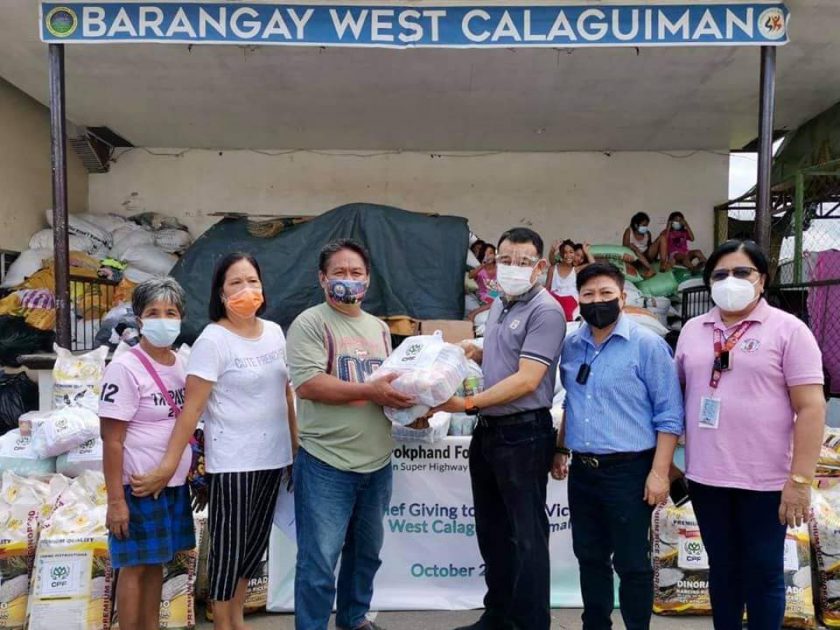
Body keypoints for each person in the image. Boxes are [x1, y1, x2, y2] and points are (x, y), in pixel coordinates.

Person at [131, 253, 296, 630]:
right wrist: (166, 467)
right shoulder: (213, 340)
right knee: (228, 552)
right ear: (221, 294)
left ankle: (236, 621)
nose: (246, 289)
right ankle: (224, 622)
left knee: (252, 549)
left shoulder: (274, 332)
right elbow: (192, 410)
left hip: (273, 458)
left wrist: (295, 447)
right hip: (234, 461)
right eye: (235, 283)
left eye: (252, 281)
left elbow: (285, 393)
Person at [675, 240, 826, 630]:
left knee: (763, 572)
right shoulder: (693, 330)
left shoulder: (789, 330)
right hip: (707, 477)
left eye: (742, 272)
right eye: (721, 274)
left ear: (762, 280)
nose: (731, 281)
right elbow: (676, 396)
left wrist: (800, 481)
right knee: (723, 569)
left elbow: (811, 407)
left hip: (767, 481)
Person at [287, 239, 426, 630]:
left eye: (356, 273)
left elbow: (385, 388)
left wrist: (411, 410)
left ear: (368, 279)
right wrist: (371, 392)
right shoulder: (310, 323)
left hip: (377, 463)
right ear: (322, 278)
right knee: (319, 561)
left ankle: (353, 619)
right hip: (326, 463)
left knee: (365, 555)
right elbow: (309, 385)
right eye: (339, 272)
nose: (348, 279)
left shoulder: (379, 328)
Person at [440, 227, 566, 630]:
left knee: (526, 536)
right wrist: (471, 350)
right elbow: (502, 353)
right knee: (493, 531)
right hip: (490, 431)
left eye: (523, 261)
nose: (512, 267)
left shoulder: (546, 311)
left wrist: (467, 404)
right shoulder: (500, 304)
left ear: (540, 267)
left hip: (523, 432)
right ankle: (498, 615)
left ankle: (530, 623)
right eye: (505, 259)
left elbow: (528, 379)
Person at [552, 262, 684, 630]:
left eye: (606, 293)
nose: (598, 301)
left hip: (629, 471)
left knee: (632, 563)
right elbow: (573, 402)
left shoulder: (648, 346)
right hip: (584, 471)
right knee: (589, 556)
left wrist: (659, 473)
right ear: (579, 299)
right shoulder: (572, 346)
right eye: (589, 294)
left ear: (623, 297)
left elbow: (669, 415)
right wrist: (561, 448)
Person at [100, 278, 195, 630]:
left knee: (157, 563)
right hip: (137, 486)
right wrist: (116, 502)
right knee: (134, 567)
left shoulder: (182, 364)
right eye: (153, 312)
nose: (163, 319)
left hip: (169, 486)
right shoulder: (125, 368)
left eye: (171, 312)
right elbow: (111, 440)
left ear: (181, 317)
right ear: (139, 319)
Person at [546, 239, 594, 321]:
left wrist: (587, 252)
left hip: (570, 302)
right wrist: (552, 251)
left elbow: (593, 265)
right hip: (555, 300)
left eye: (571, 252)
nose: (568, 255)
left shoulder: (576, 270)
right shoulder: (553, 268)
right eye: (565, 252)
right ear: (560, 254)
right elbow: (547, 288)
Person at [467, 243, 500, 323]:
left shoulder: (500, 268)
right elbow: (470, 276)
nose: (488, 256)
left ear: (495, 255)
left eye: (491, 253)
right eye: (485, 253)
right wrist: (483, 265)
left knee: (500, 298)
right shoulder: (480, 270)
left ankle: (474, 312)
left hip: (498, 296)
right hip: (484, 297)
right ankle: (474, 313)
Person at [622, 212, 662, 278]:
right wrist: (637, 251)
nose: (645, 227)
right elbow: (625, 248)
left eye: (646, 225)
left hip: (646, 257)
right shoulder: (629, 231)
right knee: (632, 246)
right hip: (634, 258)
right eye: (644, 225)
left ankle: (663, 264)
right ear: (636, 225)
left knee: (661, 238)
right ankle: (651, 269)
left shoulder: (648, 233)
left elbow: (650, 247)